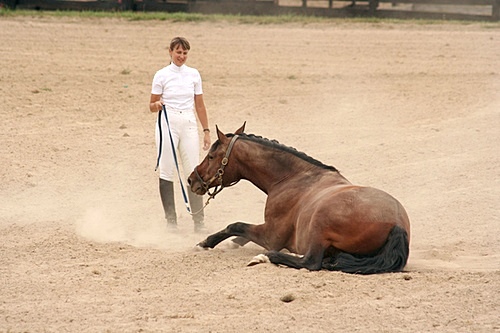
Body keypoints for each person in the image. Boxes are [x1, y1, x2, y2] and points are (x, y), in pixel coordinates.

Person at [149, 36, 211, 233]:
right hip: (168, 122)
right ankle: (171, 222)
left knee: (194, 171)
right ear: (170, 52)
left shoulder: (194, 74)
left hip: (189, 122)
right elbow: (151, 105)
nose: (181, 56)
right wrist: (156, 105)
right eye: (178, 52)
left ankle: (198, 222)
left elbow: (199, 105)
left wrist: (206, 130)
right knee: (167, 170)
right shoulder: (161, 75)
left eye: (184, 53)